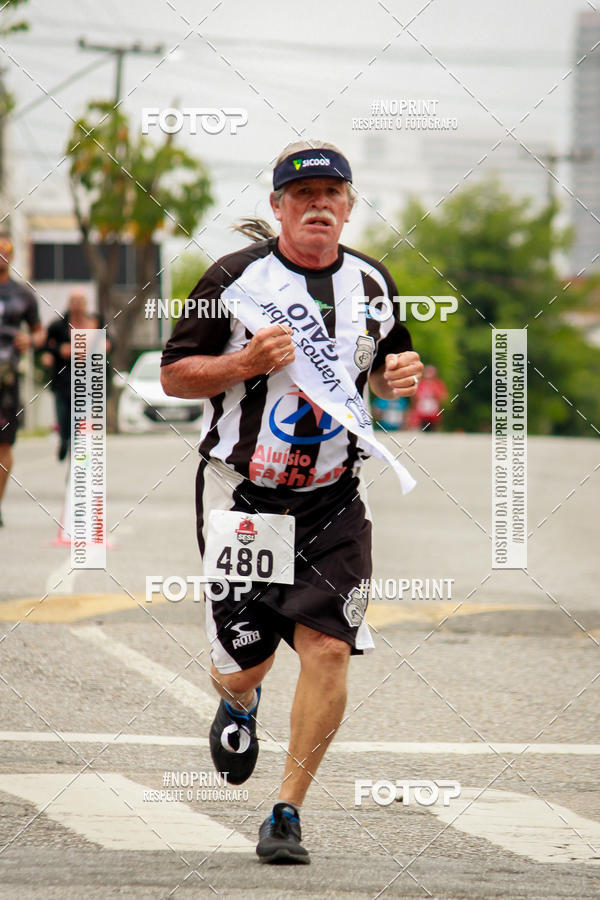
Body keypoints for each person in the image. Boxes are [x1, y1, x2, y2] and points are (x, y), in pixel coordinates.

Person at [160, 141, 423, 864]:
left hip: (334, 500)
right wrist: (242, 364)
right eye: (301, 194)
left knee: (329, 648)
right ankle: (240, 700)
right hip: (243, 496)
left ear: (348, 205)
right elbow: (176, 376)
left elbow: (391, 358)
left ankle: (286, 813)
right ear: (277, 207)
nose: (318, 204)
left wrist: (403, 371)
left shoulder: (373, 282)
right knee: (243, 664)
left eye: (332, 193)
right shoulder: (232, 280)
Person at [0, 235, 45, 527]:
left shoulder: (22, 295)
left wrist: (29, 339)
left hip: (6, 375)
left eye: (6, 250)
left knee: (4, 444)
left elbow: (39, 333)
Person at [42, 289, 104, 461]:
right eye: (73, 300)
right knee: (64, 422)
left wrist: (105, 346)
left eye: (80, 300)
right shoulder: (58, 326)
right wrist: (57, 351)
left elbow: (110, 342)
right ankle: (63, 441)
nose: (76, 304)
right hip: (63, 383)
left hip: (87, 383)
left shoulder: (96, 322)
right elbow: (46, 345)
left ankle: (78, 458)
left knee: (82, 426)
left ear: (86, 303)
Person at [408, 364, 447, 431]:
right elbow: (414, 397)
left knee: (433, 430)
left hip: (433, 412)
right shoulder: (420, 384)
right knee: (421, 430)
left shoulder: (438, 384)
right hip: (421, 412)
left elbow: (443, 397)